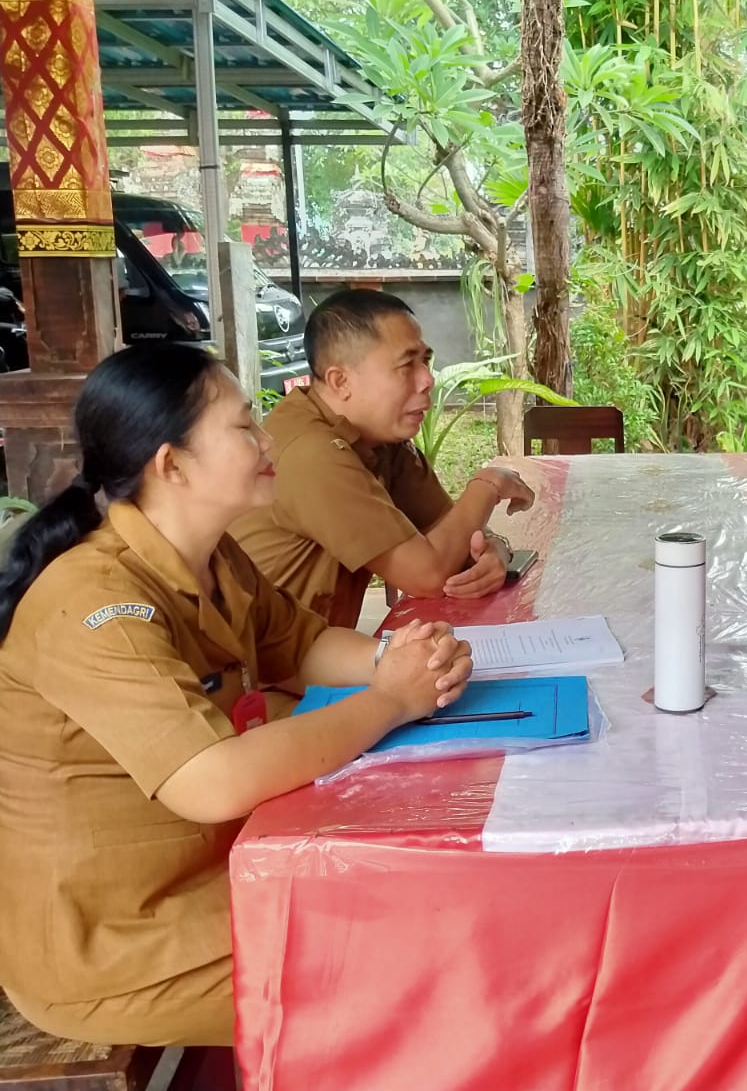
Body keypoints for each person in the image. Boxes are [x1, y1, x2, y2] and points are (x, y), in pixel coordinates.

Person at [0, 344, 474, 1048]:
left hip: (218, 868)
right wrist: (390, 701)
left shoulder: (213, 555)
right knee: (413, 971)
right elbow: (212, 779)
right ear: (172, 465)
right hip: (124, 941)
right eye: (244, 426)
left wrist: (400, 658)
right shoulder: (92, 604)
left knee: (431, 898)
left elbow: (300, 644)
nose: (267, 440)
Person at [231, 290, 535, 629]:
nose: (428, 379)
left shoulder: (380, 439)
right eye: (406, 365)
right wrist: (489, 484)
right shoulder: (312, 452)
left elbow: (452, 535)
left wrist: (493, 549)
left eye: (425, 361)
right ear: (340, 381)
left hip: (321, 649)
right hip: (260, 660)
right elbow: (428, 575)